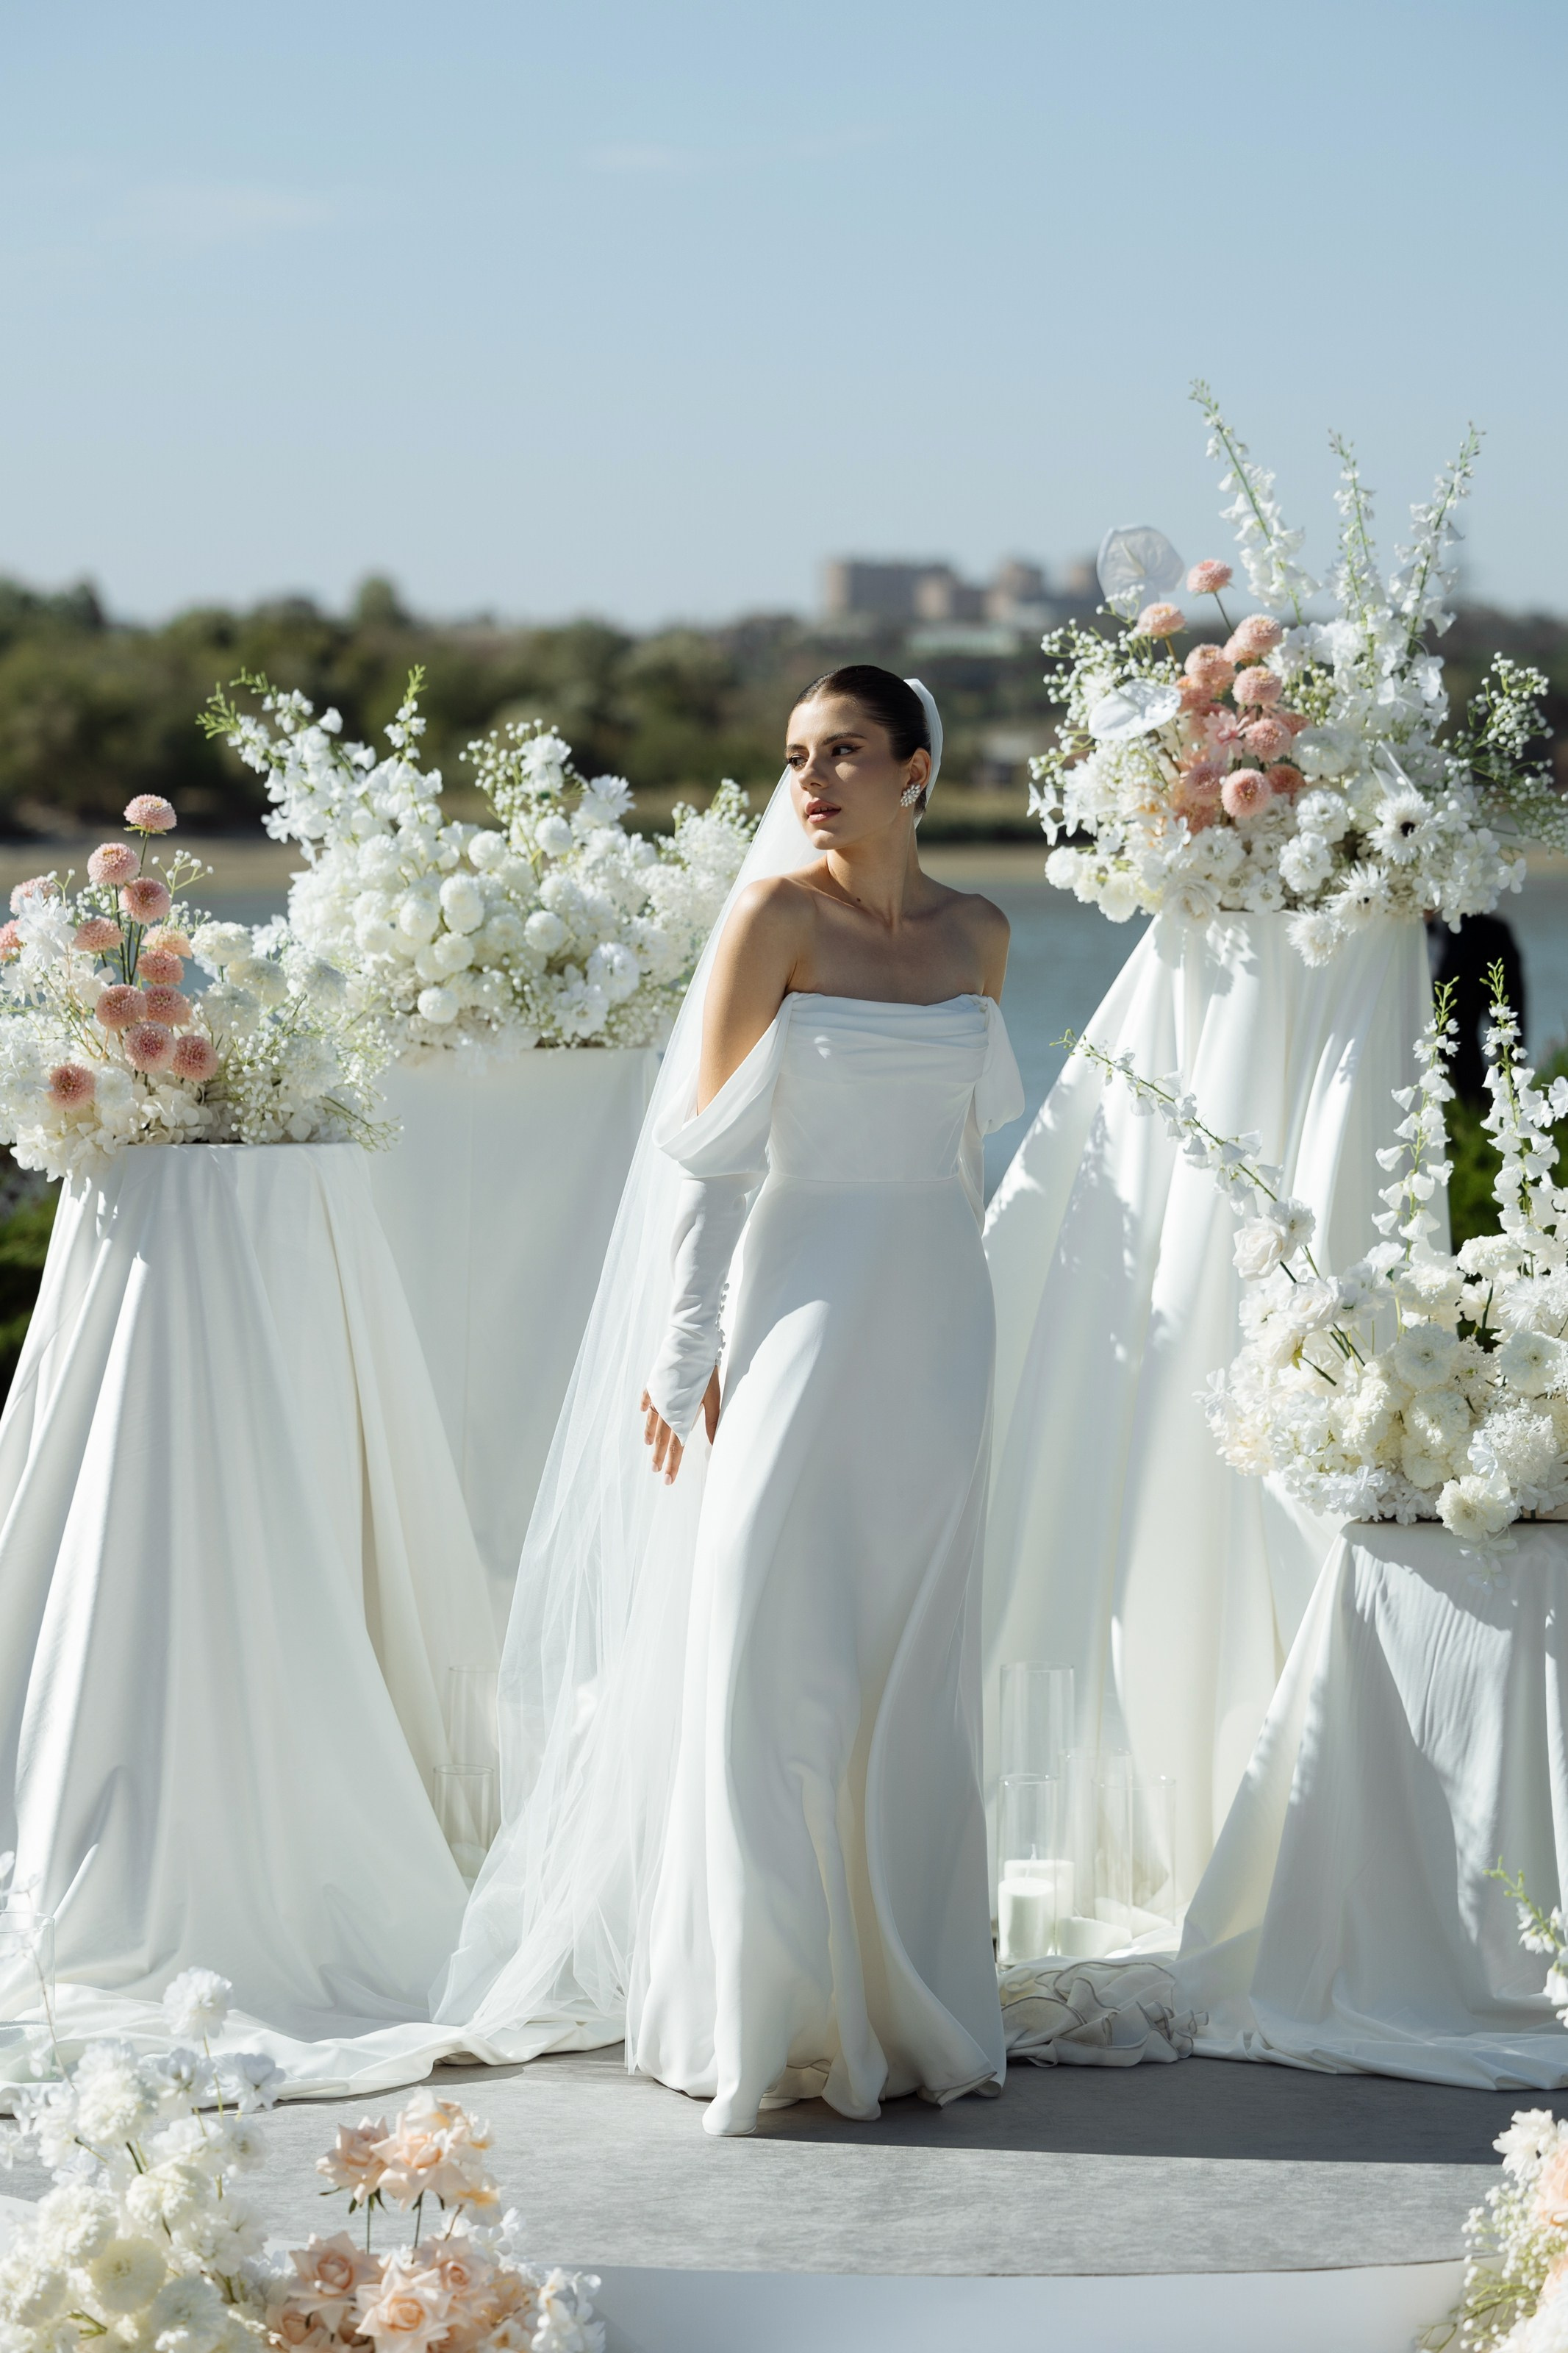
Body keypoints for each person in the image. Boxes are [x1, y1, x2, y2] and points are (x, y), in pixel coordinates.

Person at [434, 668, 1022, 2136]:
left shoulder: (981, 934)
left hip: (937, 1319)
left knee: (911, 1663)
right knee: (769, 1640)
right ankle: (766, 2008)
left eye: (844, 754)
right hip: (793, 1307)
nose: (811, 781)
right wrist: (680, 1342)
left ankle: (902, 2000)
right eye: (795, 758)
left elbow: (968, 1158)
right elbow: (705, 1154)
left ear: (917, 772)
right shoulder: (772, 920)